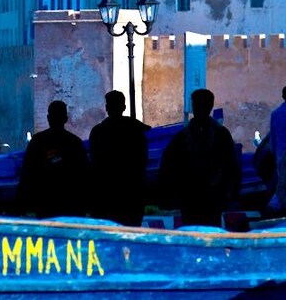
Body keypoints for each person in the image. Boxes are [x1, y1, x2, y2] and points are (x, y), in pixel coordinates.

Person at [158, 88, 241, 227]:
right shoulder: (185, 137)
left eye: (201, 104)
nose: (199, 108)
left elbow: (230, 166)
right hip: (193, 198)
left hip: (208, 198)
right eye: (197, 104)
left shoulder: (217, 135)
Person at [16, 100, 90, 218]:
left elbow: (27, 174)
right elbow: (84, 176)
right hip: (71, 205)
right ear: (66, 119)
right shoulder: (75, 143)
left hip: (46, 204)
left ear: (48, 118)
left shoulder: (37, 141)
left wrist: (23, 203)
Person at [88, 90, 150, 226]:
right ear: (123, 108)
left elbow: (94, 164)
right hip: (130, 197)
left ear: (107, 108)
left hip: (105, 197)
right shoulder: (136, 132)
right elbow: (142, 163)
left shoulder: (99, 132)